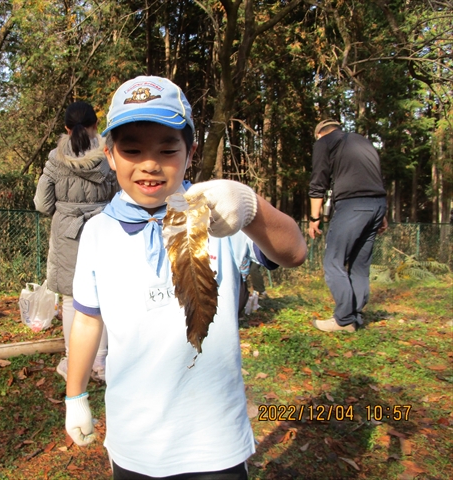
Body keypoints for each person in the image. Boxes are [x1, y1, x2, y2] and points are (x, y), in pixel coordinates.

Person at [64, 76, 307, 479]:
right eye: (132, 149)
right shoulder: (98, 233)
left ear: (190, 152)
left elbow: (295, 251)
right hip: (134, 440)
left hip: (214, 440)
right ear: (109, 155)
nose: (150, 163)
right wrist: (75, 395)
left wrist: (249, 205)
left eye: (167, 149)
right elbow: (88, 319)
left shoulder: (220, 214)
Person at [34, 101, 118, 382]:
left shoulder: (54, 158)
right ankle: (101, 363)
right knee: (104, 296)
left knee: (72, 299)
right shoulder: (110, 155)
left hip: (67, 234)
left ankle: (73, 363)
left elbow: (42, 204)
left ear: (67, 128)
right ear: (96, 125)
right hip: (105, 229)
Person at [308, 119, 388, 333]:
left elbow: (319, 180)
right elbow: (375, 177)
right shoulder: (364, 142)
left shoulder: (324, 142)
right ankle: (356, 315)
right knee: (360, 265)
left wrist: (314, 218)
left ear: (320, 133)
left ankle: (343, 320)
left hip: (353, 205)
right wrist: (383, 214)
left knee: (333, 262)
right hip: (378, 204)